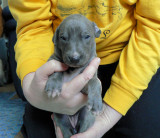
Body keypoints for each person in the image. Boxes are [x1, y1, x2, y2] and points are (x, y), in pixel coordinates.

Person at [8, 0, 160, 138]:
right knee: (40, 131)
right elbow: (33, 25)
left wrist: (107, 117)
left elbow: (154, 26)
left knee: (145, 129)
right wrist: (33, 87)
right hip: (55, 54)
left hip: (130, 53)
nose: (75, 55)